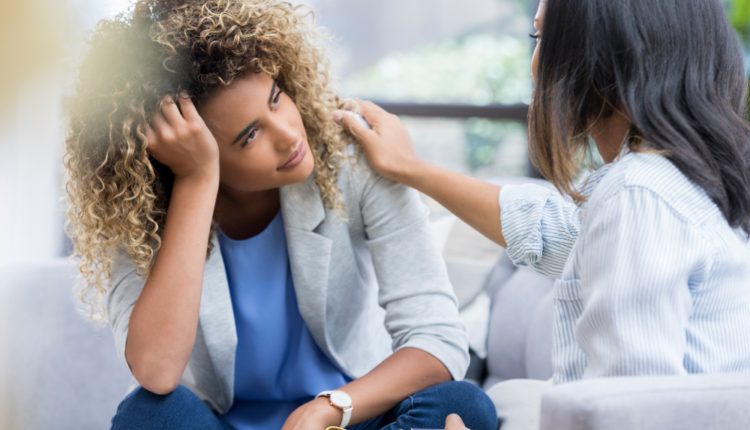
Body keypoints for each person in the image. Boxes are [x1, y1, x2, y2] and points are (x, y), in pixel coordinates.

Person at [63, 0, 498, 429]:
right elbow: (156, 373)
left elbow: (437, 339)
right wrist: (197, 181)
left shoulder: (353, 164)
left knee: (463, 406)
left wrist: (328, 408)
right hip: (221, 423)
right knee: (148, 416)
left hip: (350, 417)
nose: (290, 135)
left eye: (276, 98)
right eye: (250, 135)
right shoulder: (141, 211)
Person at [335, 0, 750, 428]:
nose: (535, 67)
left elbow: (625, 415)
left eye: (541, 39)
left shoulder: (638, 194)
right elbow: (554, 232)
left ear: (604, 53)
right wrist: (411, 168)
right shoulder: (686, 184)